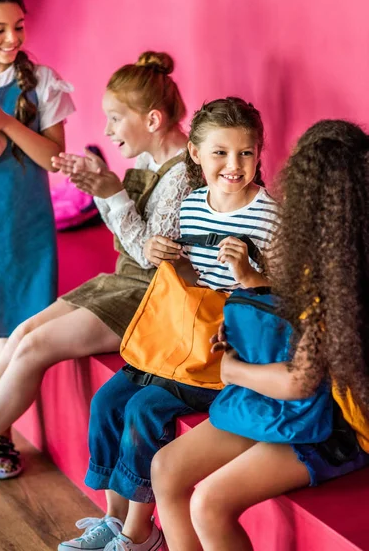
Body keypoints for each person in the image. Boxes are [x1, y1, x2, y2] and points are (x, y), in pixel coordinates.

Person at [59, 97, 280, 551]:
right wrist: (167, 257)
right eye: (220, 152)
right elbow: (188, 280)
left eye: (245, 153)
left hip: (223, 351)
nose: (234, 165)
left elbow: (284, 301)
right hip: (176, 337)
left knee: (144, 410)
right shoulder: (193, 203)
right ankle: (113, 521)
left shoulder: (269, 216)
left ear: (260, 153)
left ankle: (141, 535)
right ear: (195, 155)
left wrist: (253, 278)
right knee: (107, 403)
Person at [0, 48, 190, 480]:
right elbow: (125, 239)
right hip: (123, 281)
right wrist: (98, 187)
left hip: (153, 297)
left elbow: (150, 253)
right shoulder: (149, 158)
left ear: (152, 120)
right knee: (20, 335)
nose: (106, 130)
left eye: (114, 118)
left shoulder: (183, 174)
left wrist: (110, 192)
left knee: (32, 350)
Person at [152, 119, 369, 551]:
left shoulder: (342, 274)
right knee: (166, 468)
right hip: (300, 403)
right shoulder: (321, 256)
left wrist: (232, 369)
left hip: (338, 425)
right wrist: (248, 312)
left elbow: (298, 380)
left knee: (209, 503)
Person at [0, 0, 75, 479]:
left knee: (18, 344)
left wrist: (7, 124)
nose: (12, 39)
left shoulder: (43, 83)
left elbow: (55, 160)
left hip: (27, 233)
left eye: (19, 27)